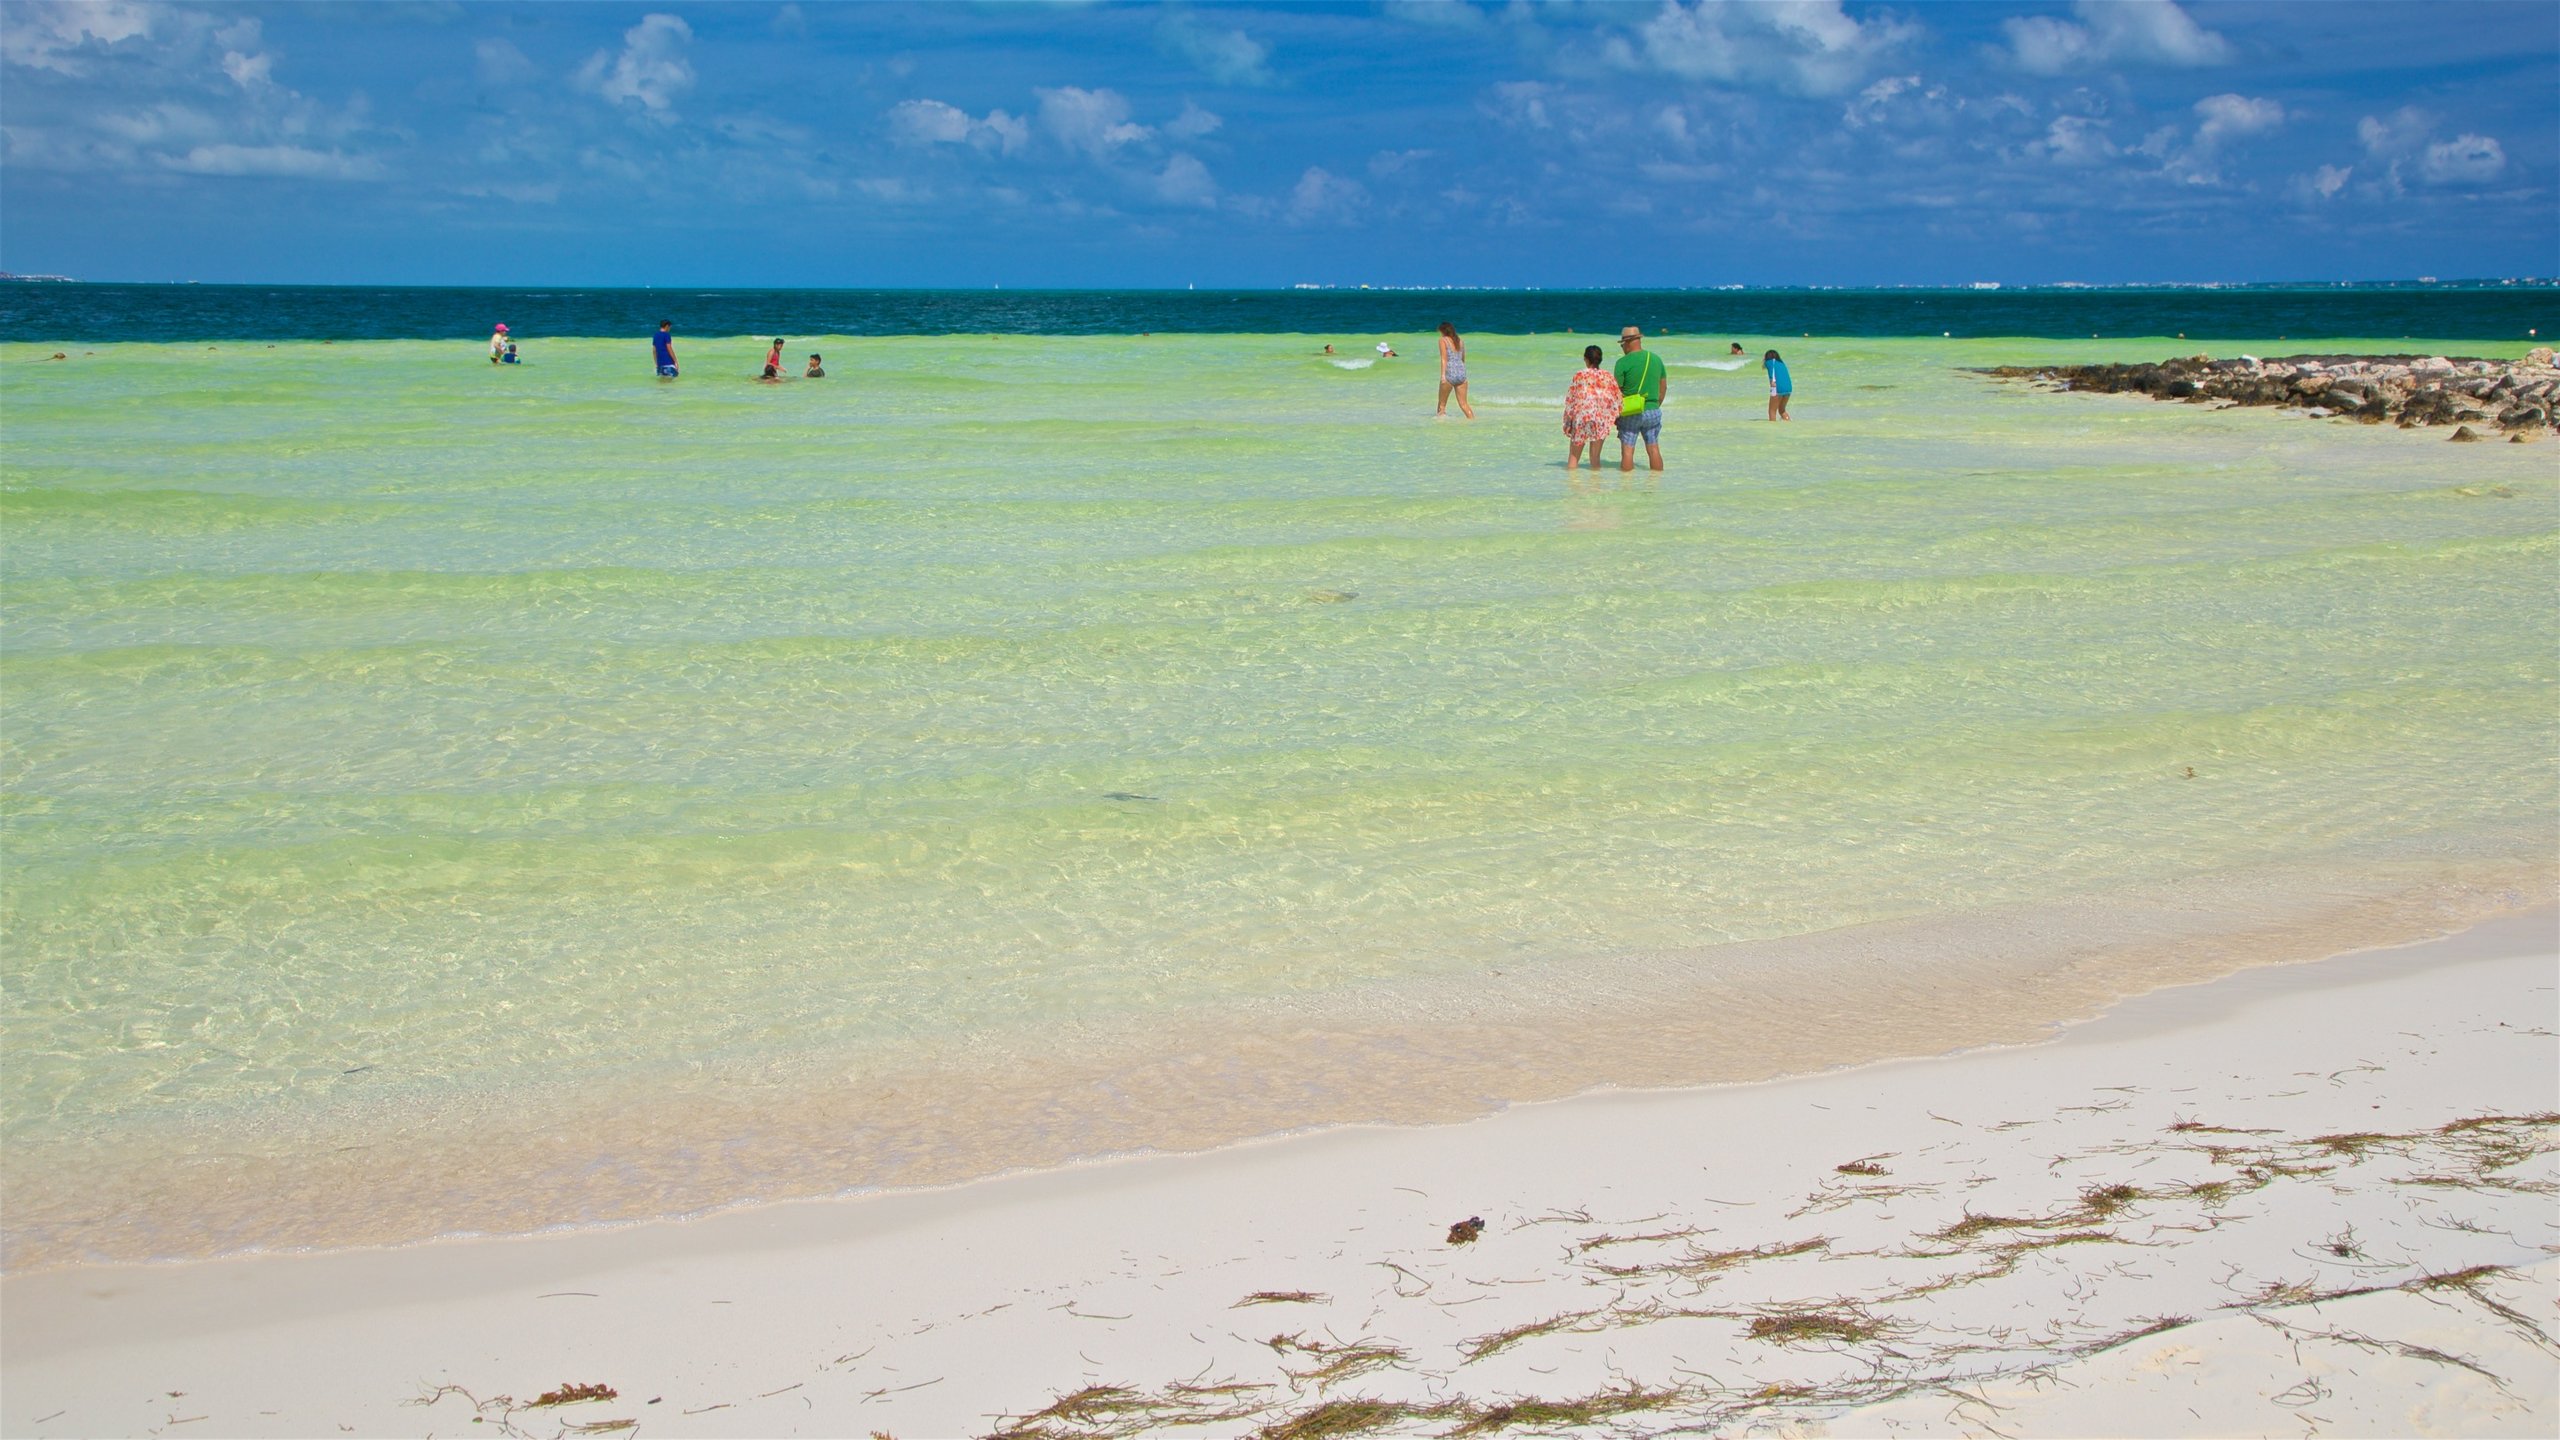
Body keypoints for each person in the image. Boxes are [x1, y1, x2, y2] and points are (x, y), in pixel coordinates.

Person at [1612, 326, 1667, 473]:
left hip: (1631, 412)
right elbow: (1663, 387)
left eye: (1622, 344)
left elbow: (1615, 392)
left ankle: (1627, 487)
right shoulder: (1656, 359)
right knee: (1653, 449)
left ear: (1628, 342)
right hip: (1653, 411)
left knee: (1628, 451)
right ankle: (1656, 483)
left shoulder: (1622, 363)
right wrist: (1655, 405)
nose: (1622, 347)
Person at [1562, 344, 1622, 471]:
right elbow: (1617, 399)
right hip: (1600, 419)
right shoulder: (1608, 376)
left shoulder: (1579, 375)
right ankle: (1595, 487)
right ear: (1600, 360)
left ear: (1586, 359)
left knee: (1573, 457)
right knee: (1595, 459)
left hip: (1581, 418)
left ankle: (1572, 487)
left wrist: (1567, 423)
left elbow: (1570, 401)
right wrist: (1614, 418)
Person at [1435, 322, 1475, 420]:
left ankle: (1440, 428)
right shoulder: (1460, 341)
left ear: (1443, 331)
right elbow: (1463, 359)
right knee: (1464, 404)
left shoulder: (1442, 340)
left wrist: (1443, 376)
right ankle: (1473, 422)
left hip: (1450, 374)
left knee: (1442, 405)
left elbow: (1444, 359)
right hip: (1462, 374)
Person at [1764, 349, 1793, 421]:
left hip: (1777, 387)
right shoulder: (1782, 363)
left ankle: (1773, 429)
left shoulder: (1769, 362)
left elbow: (1771, 373)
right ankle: (1789, 423)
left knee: (1772, 411)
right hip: (1788, 388)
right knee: (1782, 410)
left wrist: (1772, 383)